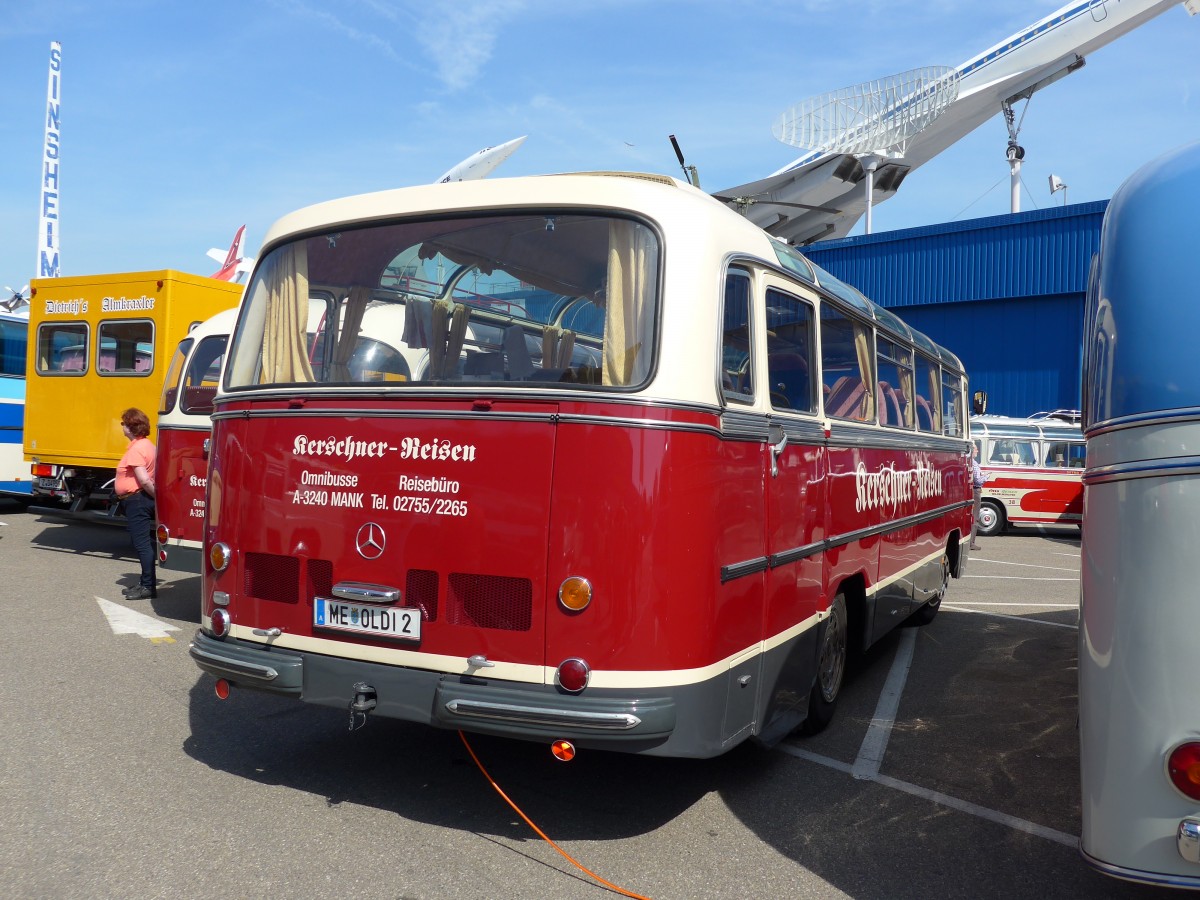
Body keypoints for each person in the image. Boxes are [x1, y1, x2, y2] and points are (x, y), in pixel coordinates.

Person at [116, 407, 157, 599]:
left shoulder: (137, 449)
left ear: (131, 426)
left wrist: (155, 496)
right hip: (139, 498)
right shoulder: (146, 445)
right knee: (143, 543)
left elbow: (145, 480)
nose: (122, 426)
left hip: (137, 500)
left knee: (141, 544)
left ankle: (148, 586)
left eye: (124, 423)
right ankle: (144, 583)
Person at [969, 443, 985, 550]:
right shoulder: (974, 463)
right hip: (976, 490)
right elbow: (977, 480)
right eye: (976, 449)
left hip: (972, 490)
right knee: (975, 516)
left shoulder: (970, 462)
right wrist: (986, 477)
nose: (977, 451)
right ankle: (971, 543)